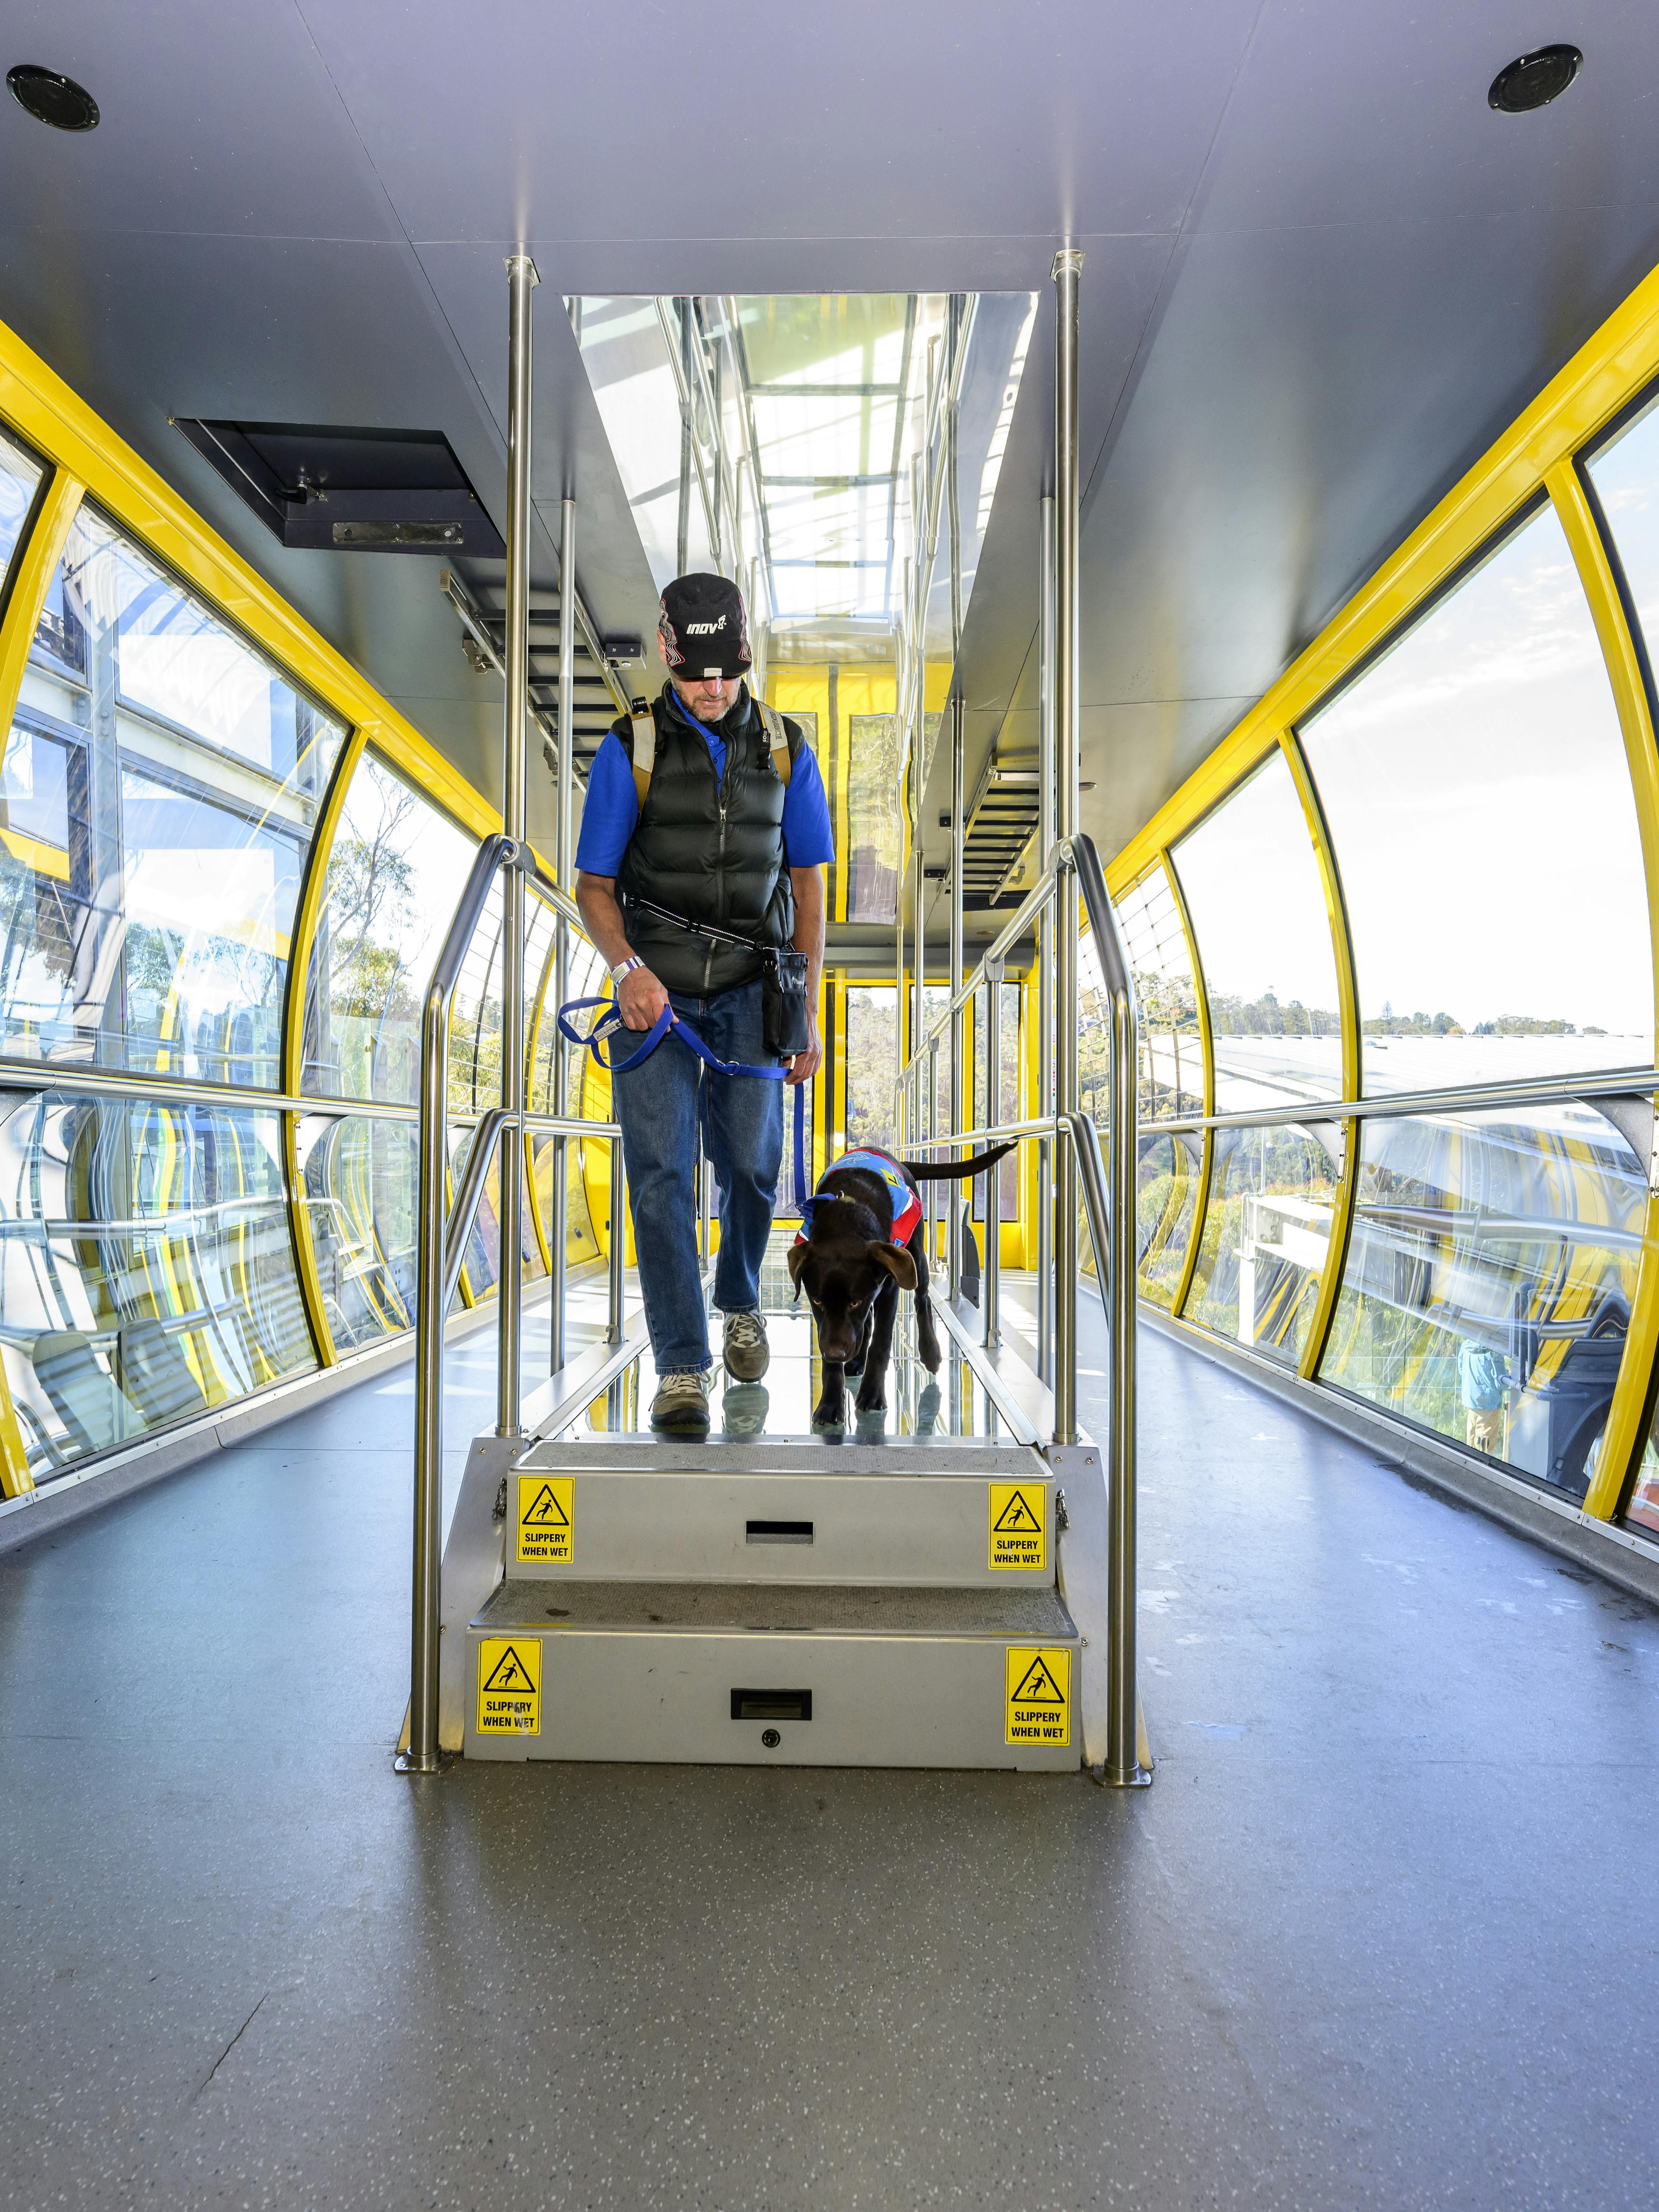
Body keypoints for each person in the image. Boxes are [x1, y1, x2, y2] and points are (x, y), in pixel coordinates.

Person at [575, 573, 830, 1432]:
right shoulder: (630, 748)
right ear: (667, 657)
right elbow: (594, 886)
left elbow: (807, 880)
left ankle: (739, 1296)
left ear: (745, 657)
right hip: (660, 1002)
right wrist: (625, 970)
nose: (712, 689)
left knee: (755, 1169)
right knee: (659, 1179)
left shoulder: (790, 749)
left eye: (726, 669)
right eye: (696, 673)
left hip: (754, 991)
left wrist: (806, 1005)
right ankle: (682, 1365)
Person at [1457, 1335, 1509, 1455]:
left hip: (1471, 1402)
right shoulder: (1494, 1352)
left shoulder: (1466, 1346)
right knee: (1486, 1449)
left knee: (1471, 1445)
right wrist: (1509, 1377)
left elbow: (1461, 1370)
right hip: (1490, 1404)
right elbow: (1500, 1381)